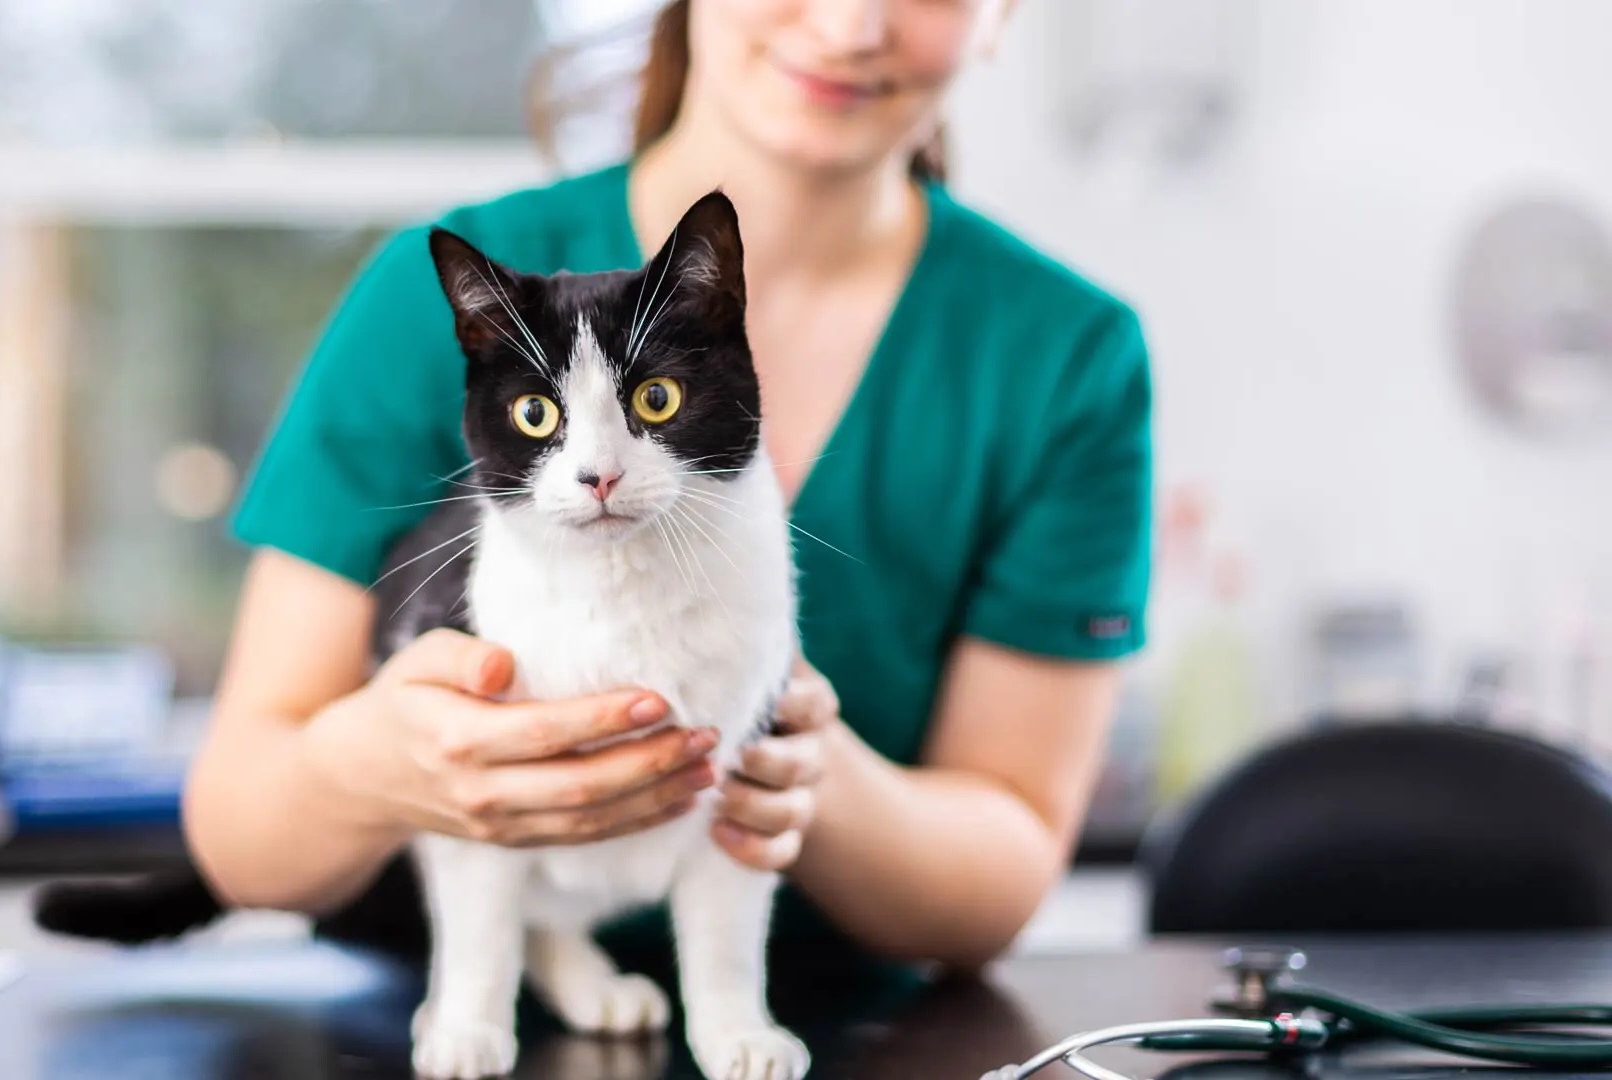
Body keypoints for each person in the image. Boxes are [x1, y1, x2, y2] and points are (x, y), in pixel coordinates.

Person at [184, 0, 1153, 978]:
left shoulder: (1062, 356)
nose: (852, 26)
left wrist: (794, 764)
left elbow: (1004, 872)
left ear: (1001, 16)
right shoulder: (436, 291)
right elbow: (241, 833)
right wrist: (374, 768)